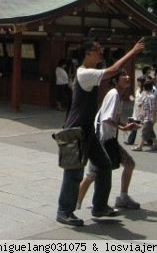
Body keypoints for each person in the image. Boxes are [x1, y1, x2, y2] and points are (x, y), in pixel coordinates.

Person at [56, 37, 144, 227]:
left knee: (104, 164)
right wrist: (133, 51)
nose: (101, 52)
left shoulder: (89, 73)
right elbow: (112, 71)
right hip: (76, 131)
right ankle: (64, 211)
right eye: (97, 49)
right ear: (87, 53)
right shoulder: (84, 73)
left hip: (87, 131)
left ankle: (100, 206)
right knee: (73, 173)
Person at [77, 69, 141, 211]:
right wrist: (124, 128)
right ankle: (75, 204)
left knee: (129, 163)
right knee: (92, 174)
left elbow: (112, 118)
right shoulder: (114, 95)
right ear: (115, 80)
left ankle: (122, 197)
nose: (128, 77)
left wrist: (125, 125)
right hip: (103, 140)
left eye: (127, 74)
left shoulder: (117, 95)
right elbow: (107, 119)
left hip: (109, 139)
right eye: (123, 75)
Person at [132, 79, 157, 151]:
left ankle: (140, 146)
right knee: (150, 131)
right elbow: (141, 104)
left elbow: (153, 108)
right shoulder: (146, 96)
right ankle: (156, 145)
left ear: (144, 88)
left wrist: (153, 117)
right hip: (146, 117)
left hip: (149, 118)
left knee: (144, 131)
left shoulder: (151, 97)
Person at [124, 76, 146, 146]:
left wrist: (139, 102)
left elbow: (144, 101)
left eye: (139, 82)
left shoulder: (145, 92)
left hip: (142, 112)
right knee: (143, 127)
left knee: (137, 126)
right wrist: (133, 99)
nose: (137, 83)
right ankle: (150, 140)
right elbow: (136, 100)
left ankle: (130, 141)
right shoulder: (138, 90)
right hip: (136, 111)